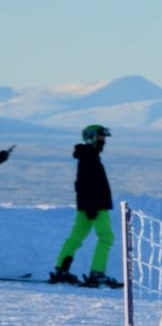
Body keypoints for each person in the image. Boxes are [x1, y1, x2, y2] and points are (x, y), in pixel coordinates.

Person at [51, 124, 121, 289]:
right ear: (91, 137)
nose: (103, 140)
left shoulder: (89, 155)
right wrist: (92, 206)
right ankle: (97, 273)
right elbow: (84, 184)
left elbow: (82, 185)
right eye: (100, 136)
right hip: (96, 206)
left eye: (104, 137)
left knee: (76, 238)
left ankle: (61, 270)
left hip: (88, 205)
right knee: (106, 237)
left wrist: (87, 205)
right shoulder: (89, 157)